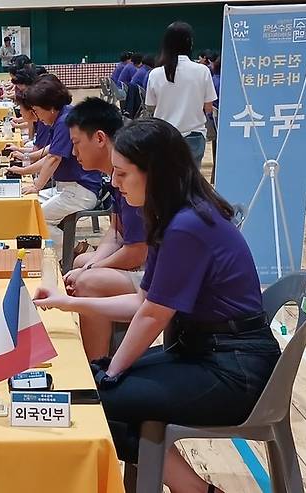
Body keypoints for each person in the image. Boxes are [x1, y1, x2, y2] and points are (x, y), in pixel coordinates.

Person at [33, 118, 281, 493]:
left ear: (157, 173)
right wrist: (69, 303)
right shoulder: (181, 214)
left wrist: (111, 374)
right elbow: (144, 302)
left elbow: (151, 315)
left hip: (234, 371)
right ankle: (196, 489)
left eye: (123, 174)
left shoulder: (187, 225)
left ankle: (193, 489)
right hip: (209, 354)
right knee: (95, 388)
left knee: (92, 400)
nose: (114, 183)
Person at [62, 98, 147, 360]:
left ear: (100, 138)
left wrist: (92, 272)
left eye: (77, 144)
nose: (74, 153)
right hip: (144, 264)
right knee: (83, 262)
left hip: (152, 270)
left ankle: (96, 363)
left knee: (87, 282)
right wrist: (92, 264)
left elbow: (137, 253)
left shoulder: (134, 179)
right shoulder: (116, 178)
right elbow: (115, 232)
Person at [15, 75, 104, 257]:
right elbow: (51, 152)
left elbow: (53, 158)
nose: (37, 116)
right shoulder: (63, 116)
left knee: (39, 217)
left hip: (81, 189)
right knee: (26, 205)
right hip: (66, 187)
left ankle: (77, 249)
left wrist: (37, 186)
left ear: (51, 107)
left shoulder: (65, 120)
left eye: (37, 110)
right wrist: (26, 171)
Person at [145, 21, 217, 168]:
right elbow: (208, 108)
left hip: (164, 137)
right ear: (190, 43)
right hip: (194, 137)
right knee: (191, 185)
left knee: (167, 184)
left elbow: (150, 106)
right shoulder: (202, 71)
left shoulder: (156, 74)